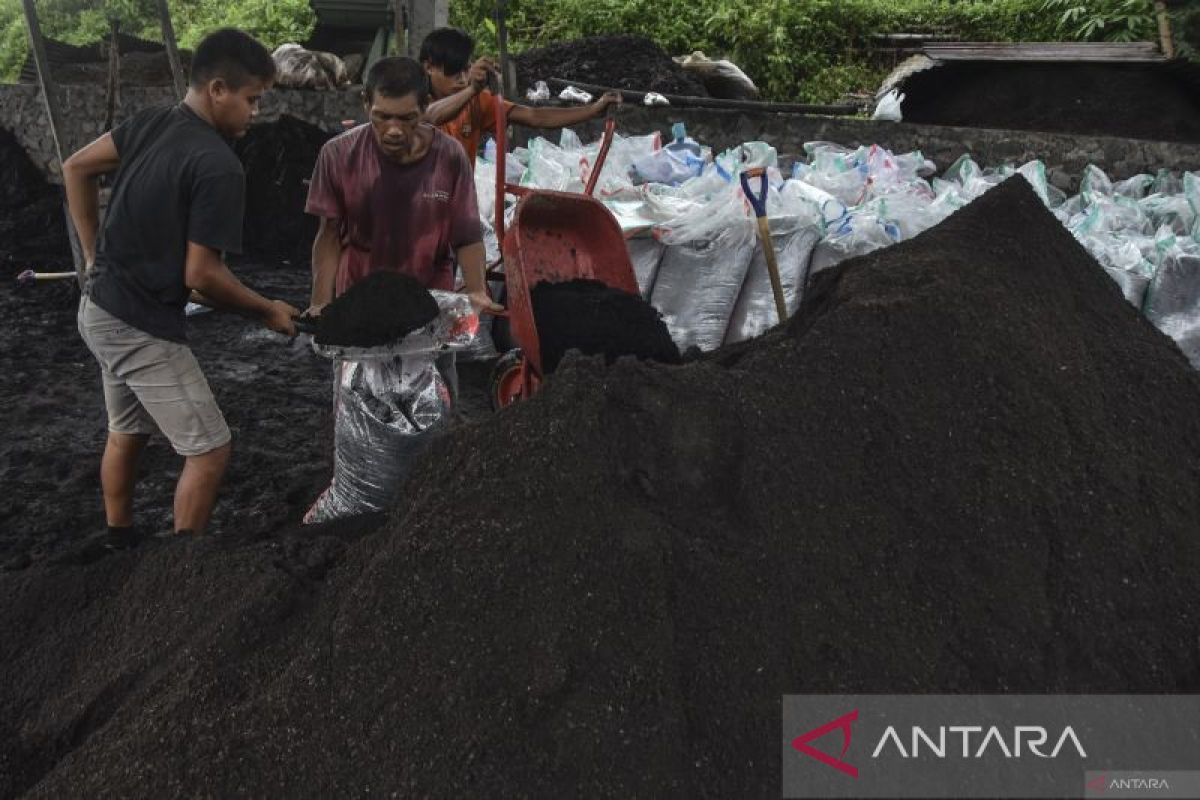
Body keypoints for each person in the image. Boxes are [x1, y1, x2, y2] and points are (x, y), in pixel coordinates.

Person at [64, 28, 299, 547]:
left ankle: (118, 540)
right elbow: (203, 277)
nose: (255, 112)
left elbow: (75, 168)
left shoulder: (151, 124)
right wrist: (265, 310)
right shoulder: (218, 165)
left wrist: (90, 254)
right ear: (218, 89)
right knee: (210, 450)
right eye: (252, 99)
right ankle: (179, 575)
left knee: (127, 431)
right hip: (138, 325)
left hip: (99, 307)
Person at [420, 27, 622, 164]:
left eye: (466, 70)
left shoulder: (475, 101)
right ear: (429, 66)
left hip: (457, 201)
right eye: (454, 72)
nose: (462, 80)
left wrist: (594, 109)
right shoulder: (409, 100)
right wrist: (472, 89)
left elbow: (535, 116)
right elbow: (428, 117)